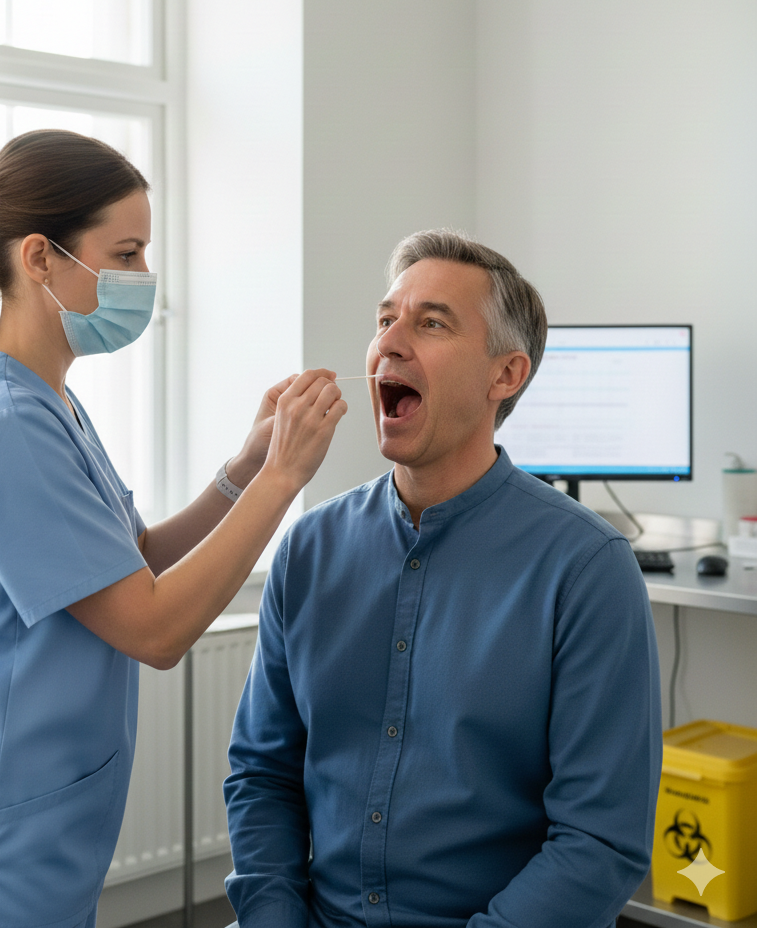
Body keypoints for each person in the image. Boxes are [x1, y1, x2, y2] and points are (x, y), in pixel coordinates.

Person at [0, 129, 347, 928]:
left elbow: (132, 560)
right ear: (41, 259)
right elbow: (154, 629)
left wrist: (243, 468)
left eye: (145, 255)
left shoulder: (45, 398)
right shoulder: (5, 423)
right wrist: (286, 477)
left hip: (32, 832)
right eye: (124, 254)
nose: (143, 279)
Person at [224, 230, 663, 928]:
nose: (389, 342)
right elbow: (261, 775)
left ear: (505, 375)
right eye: (384, 320)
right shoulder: (309, 546)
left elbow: (598, 844)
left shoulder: (587, 569)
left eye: (430, 323)